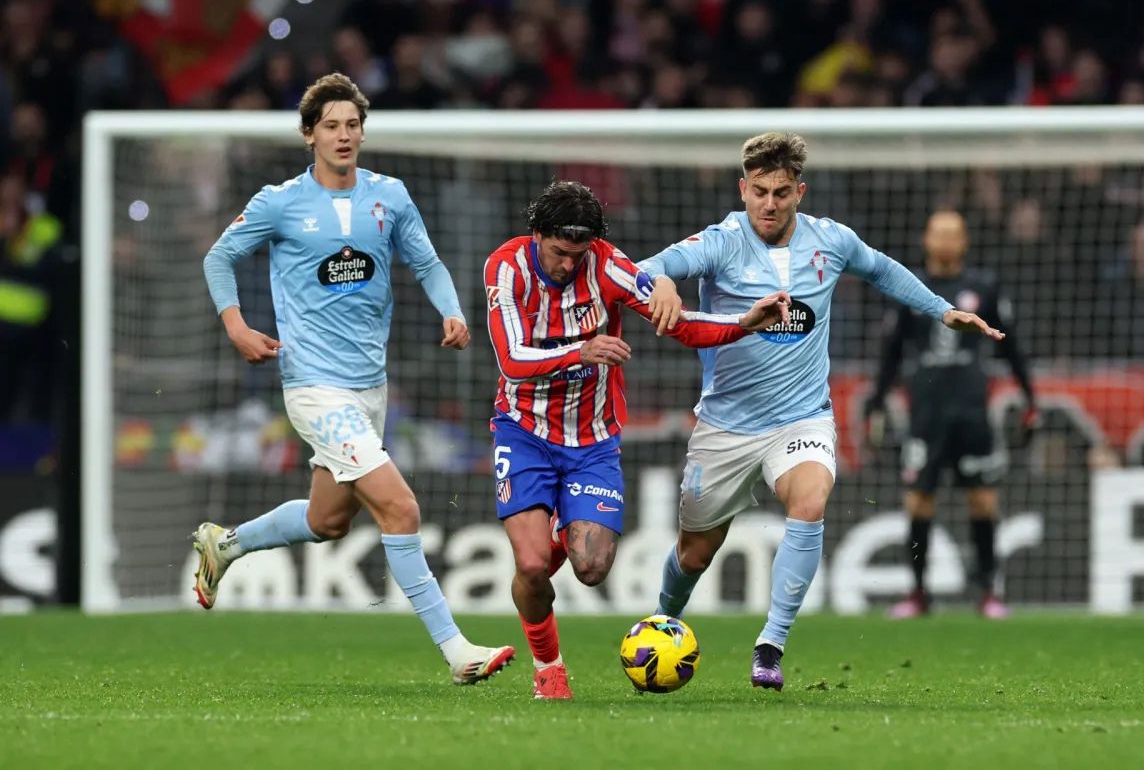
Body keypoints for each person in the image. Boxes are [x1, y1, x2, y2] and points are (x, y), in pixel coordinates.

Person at [641, 132, 1004, 691]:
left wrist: (942, 310)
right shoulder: (721, 242)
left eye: (781, 192)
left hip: (801, 417)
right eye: (758, 191)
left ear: (799, 192)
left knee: (809, 504)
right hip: (727, 426)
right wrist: (663, 282)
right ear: (742, 189)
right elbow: (654, 265)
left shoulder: (831, 241)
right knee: (694, 553)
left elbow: (883, 270)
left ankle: (770, 645)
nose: (769, 203)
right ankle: (664, 619)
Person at [194, 73, 514, 685]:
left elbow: (427, 261)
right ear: (309, 134)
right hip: (313, 386)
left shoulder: (389, 196)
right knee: (401, 508)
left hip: (370, 386)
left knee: (328, 521)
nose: (344, 135)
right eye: (332, 125)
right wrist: (234, 325)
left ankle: (225, 544)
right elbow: (219, 257)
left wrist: (450, 309)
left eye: (353, 124)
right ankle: (457, 651)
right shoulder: (279, 202)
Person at [484, 180, 789, 700]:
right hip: (524, 431)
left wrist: (742, 323)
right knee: (532, 567)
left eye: (577, 254)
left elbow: (682, 325)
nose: (566, 265)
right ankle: (550, 670)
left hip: (593, 439)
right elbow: (511, 360)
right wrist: (582, 350)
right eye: (558, 252)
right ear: (537, 235)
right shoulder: (506, 267)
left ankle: (560, 526)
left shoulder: (607, 266)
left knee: (592, 569)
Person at [863, 209, 1037, 620]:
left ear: (964, 242)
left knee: (983, 500)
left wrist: (1031, 396)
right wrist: (875, 403)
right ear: (926, 240)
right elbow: (890, 354)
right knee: (919, 502)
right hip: (925, 412)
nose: (944, 241)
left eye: (952, 234)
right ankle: (919, 593)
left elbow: (1011, 348)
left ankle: (988, 593)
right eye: (937, 234)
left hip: (972, 411)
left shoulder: (984, 286)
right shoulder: (909, 288)